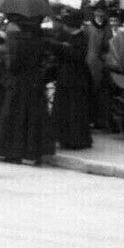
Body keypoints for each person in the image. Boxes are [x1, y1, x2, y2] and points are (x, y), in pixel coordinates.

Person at [0, 16, 53, 165]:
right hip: (35, 83)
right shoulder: (39, 40)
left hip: (18, 83)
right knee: (33, 118)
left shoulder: (16, 40)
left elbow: (12, 64)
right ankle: (33, 152)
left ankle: (13, 151)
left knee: (15, 116)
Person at [50, 11, 93, 150]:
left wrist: (61, 47)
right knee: (63, 109)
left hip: (76, 79)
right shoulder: (66, 36)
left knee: (75, 110)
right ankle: (63, 138)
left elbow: (76, 55)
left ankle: (76, 140)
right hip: (65, 77)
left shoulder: (81, 38)